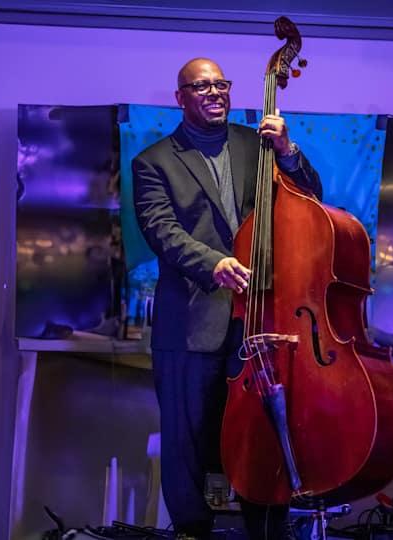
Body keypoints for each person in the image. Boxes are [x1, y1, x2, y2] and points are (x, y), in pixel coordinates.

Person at [132, 58, 322, 540]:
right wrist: (212, 263)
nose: (214, 92)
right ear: (181, 97)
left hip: (260, 319)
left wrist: (288, 151)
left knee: (263, 430)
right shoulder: (153, 162)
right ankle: (193, 530)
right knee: (187, 439)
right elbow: (162, 230)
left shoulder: (255, 144)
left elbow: (312, 201)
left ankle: (266, 530)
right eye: (201, 86)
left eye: (221, 84)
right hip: (192, 323)